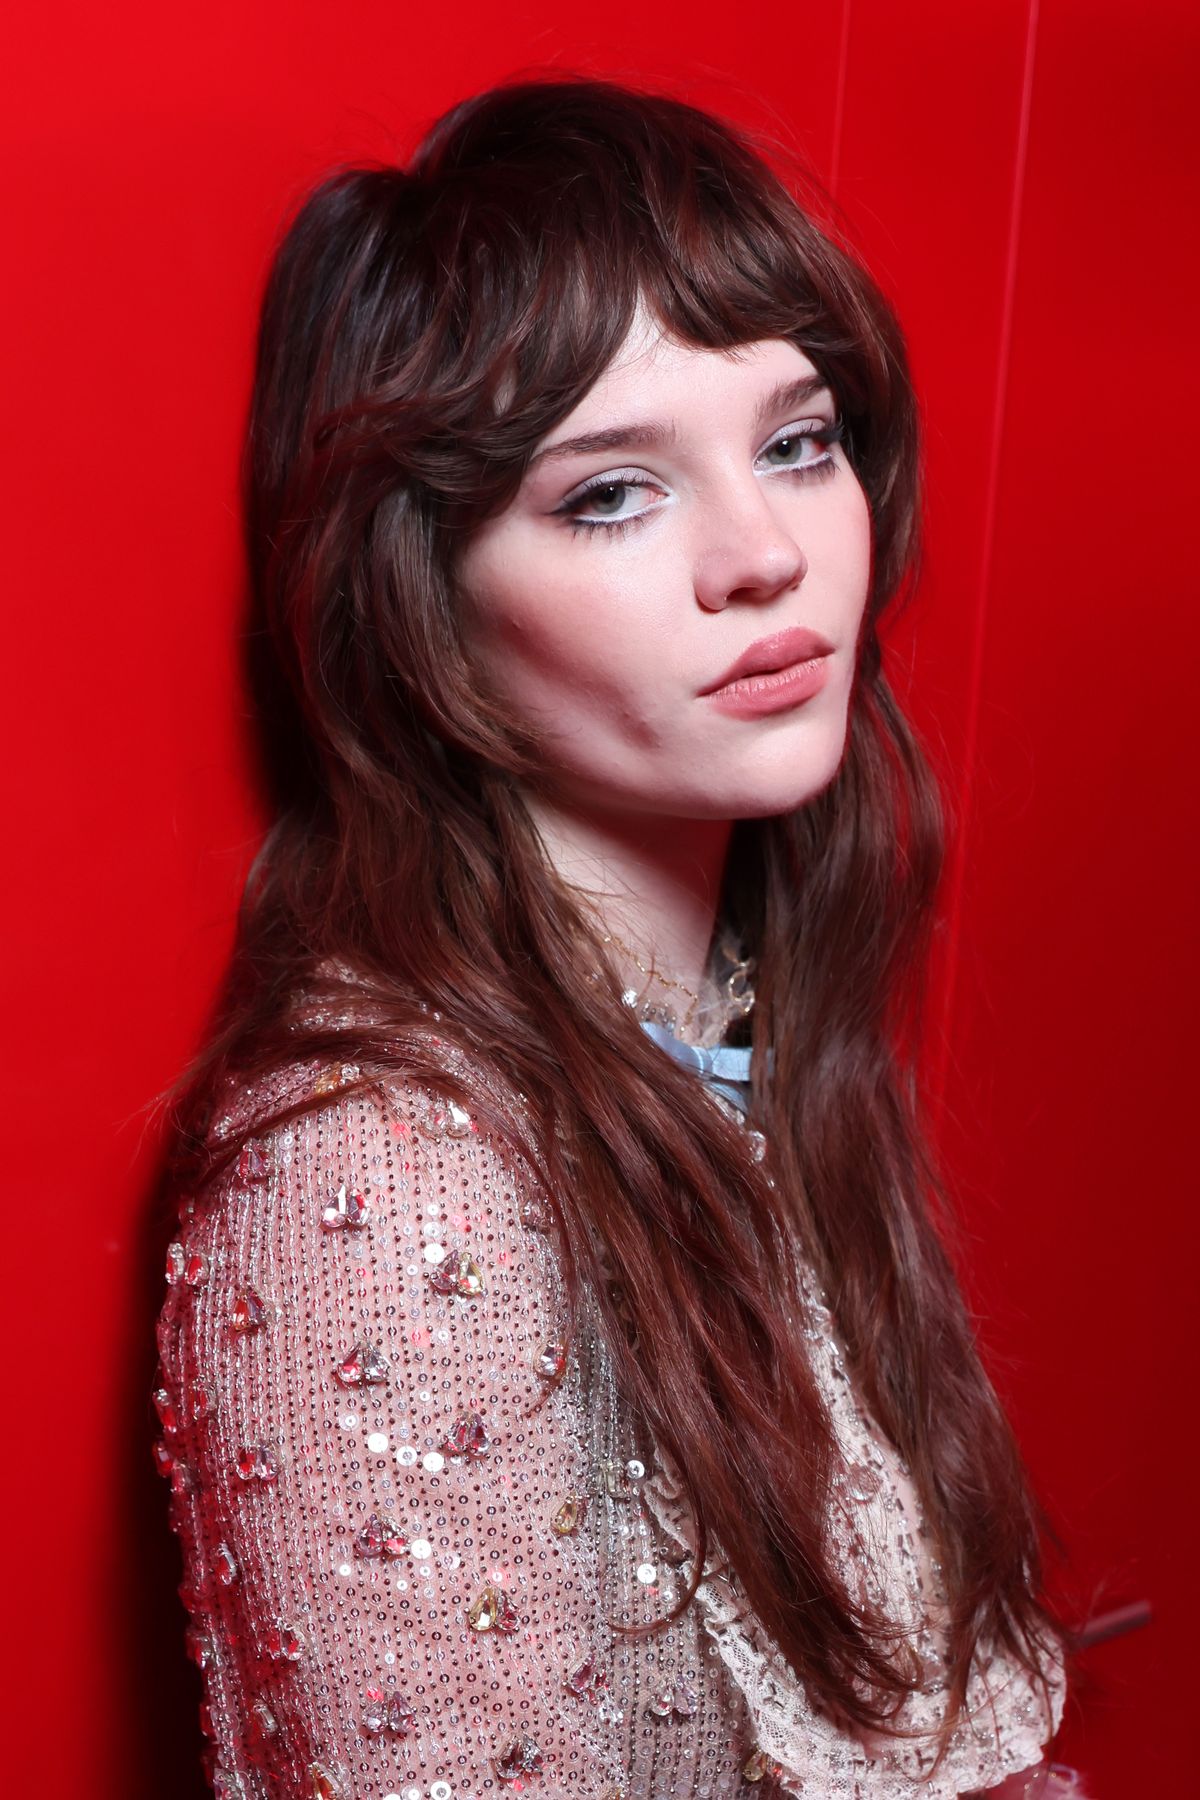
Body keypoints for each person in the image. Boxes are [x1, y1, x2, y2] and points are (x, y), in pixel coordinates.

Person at [152, 76, 1090, 1800]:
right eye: (609, 495)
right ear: (421, 598)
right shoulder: (388, 1183)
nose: (765, 555)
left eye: (797, 443)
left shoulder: (752, 1030)